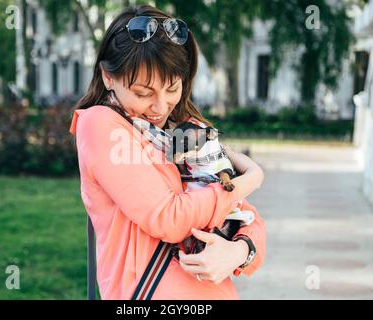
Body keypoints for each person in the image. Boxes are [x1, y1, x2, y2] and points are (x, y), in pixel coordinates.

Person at [69, 4, 266, 300]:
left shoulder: (187, 128)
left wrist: (238, 252)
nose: (160, 107)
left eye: (172, 88)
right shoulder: (100, 125)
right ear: (108, 77)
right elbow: (169, 219)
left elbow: (250, 220)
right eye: (143, 93)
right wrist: (250, 179)